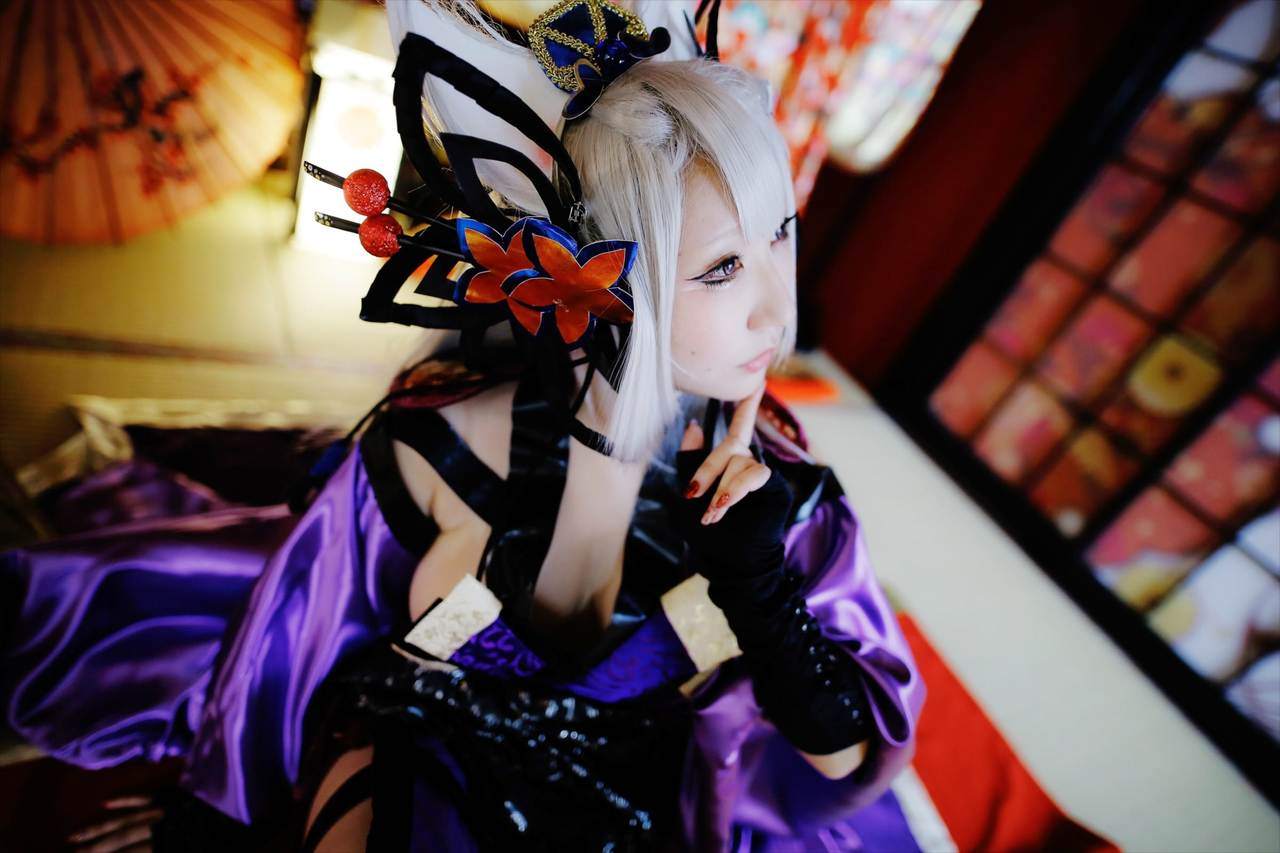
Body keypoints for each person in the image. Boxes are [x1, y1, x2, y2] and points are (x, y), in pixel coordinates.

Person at [1, 1, 925, 850]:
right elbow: (289, 656)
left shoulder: (784, 503)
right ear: (596, 271)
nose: (777, 309)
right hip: (420, 758)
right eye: (722, 268)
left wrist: (759, 587)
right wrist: (215, 823)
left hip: (635, 809)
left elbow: (851, 759)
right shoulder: (432, 453)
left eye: (780, 232)